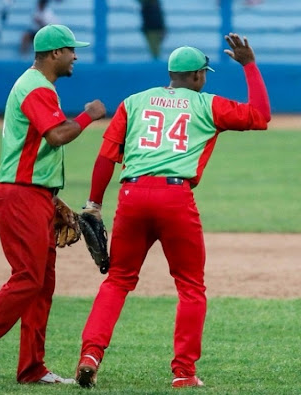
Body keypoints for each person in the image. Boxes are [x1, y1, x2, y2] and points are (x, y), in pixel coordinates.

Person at [74, 33, 271, 389]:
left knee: (118, 280)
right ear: (196, 76)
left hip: (132, 193)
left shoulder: (134, 102)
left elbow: (106, 157)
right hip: (174, 197)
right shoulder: (206, 104)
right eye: (204, 74)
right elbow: (260, 115)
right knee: (190, 286)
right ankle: (184, 373)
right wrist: (249, 65)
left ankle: (90, 355)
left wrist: (94, 204)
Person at [0, 24, 106, 387]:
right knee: (29, 277)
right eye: (70, 50)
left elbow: (41, 146)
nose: (75, 56)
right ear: (54, 54)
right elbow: (57, 135)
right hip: (20, 195)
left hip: (35, 194)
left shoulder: (40, 86)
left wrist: (50, 196)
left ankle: (32, 367)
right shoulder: (35, 86)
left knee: (43, 282)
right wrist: (88, 115)